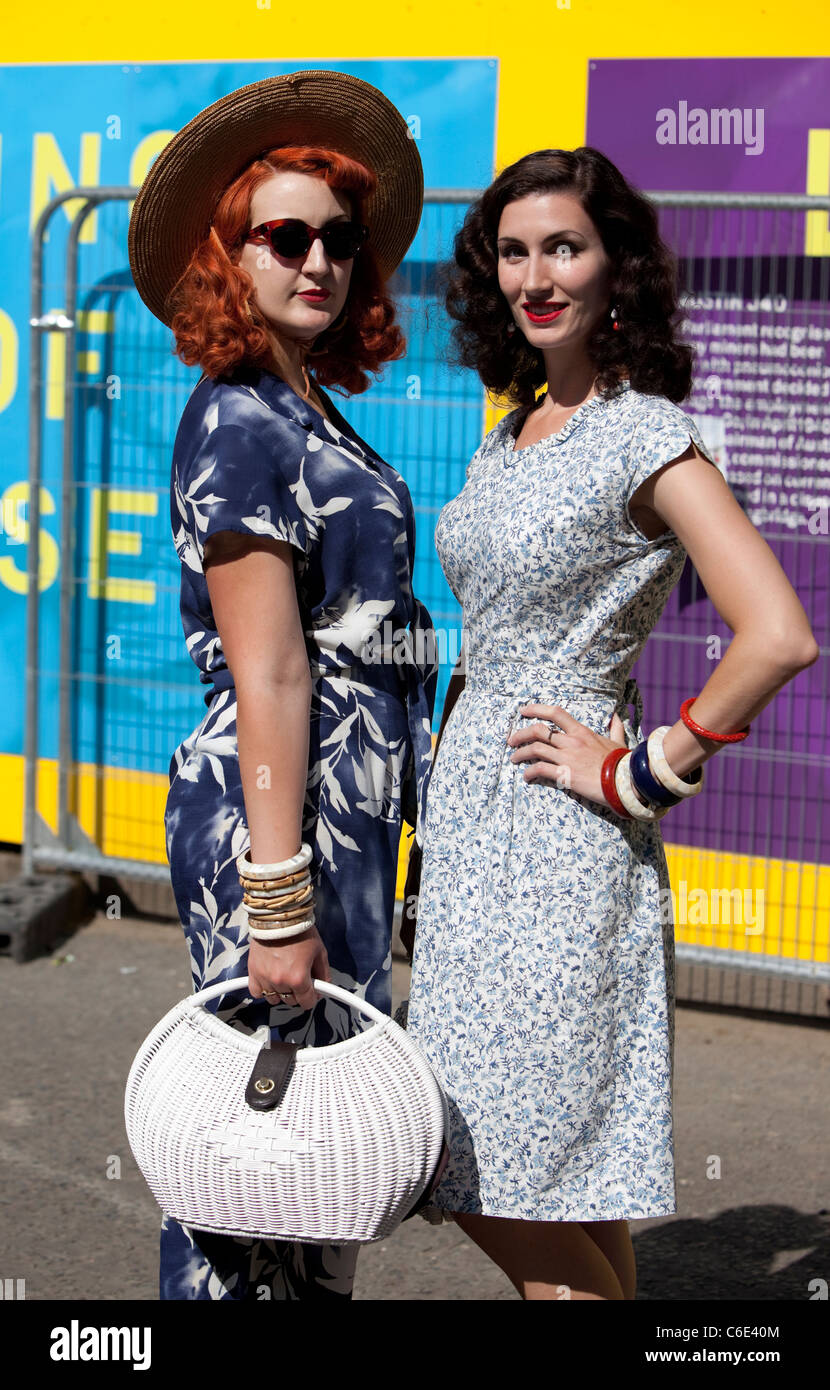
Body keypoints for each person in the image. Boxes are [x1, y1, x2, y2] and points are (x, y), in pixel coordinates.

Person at [403, 146, 819, 1302]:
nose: (537, 276)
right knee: (562, 1184)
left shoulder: (645, 434)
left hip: (559, 837)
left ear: (614, 269)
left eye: (565, 248)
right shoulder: (511, 430)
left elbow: (777, 632)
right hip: (476, 830)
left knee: (475, 1161)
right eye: (515, 251)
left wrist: (639, 773)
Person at [127, 70, 437, 1300]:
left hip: (338, 814)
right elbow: (268, 669)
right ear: (228, 255)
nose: (319, 260)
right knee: (254, 1167)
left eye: (339, 240)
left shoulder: (302, 406)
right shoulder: (239, 424)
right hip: (279, 814)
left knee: (315, 1164)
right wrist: (275, 896)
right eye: (285, 236)